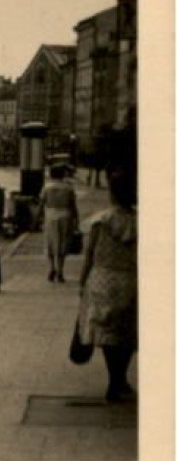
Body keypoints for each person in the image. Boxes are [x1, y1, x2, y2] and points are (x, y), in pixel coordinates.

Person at [78, 170, 137, 402]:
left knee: (107, 333)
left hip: (101, 279)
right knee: (127, 333)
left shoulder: (99, 221)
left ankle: (114, 379)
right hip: (130, 281)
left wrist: (82, 283)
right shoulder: (141, 222)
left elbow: (89, 255)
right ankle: (121, 379)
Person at [39, 164, 80, 283]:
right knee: (63, 244)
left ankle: (52, 268)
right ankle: (60, 271)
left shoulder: (47, 187)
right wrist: (76, 220)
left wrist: (36, 220)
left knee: (50, 243)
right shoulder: (68, 188)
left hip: (50, 216)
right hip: (65, 215)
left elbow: (42, 204)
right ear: (63, 174)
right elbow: (73, 205)